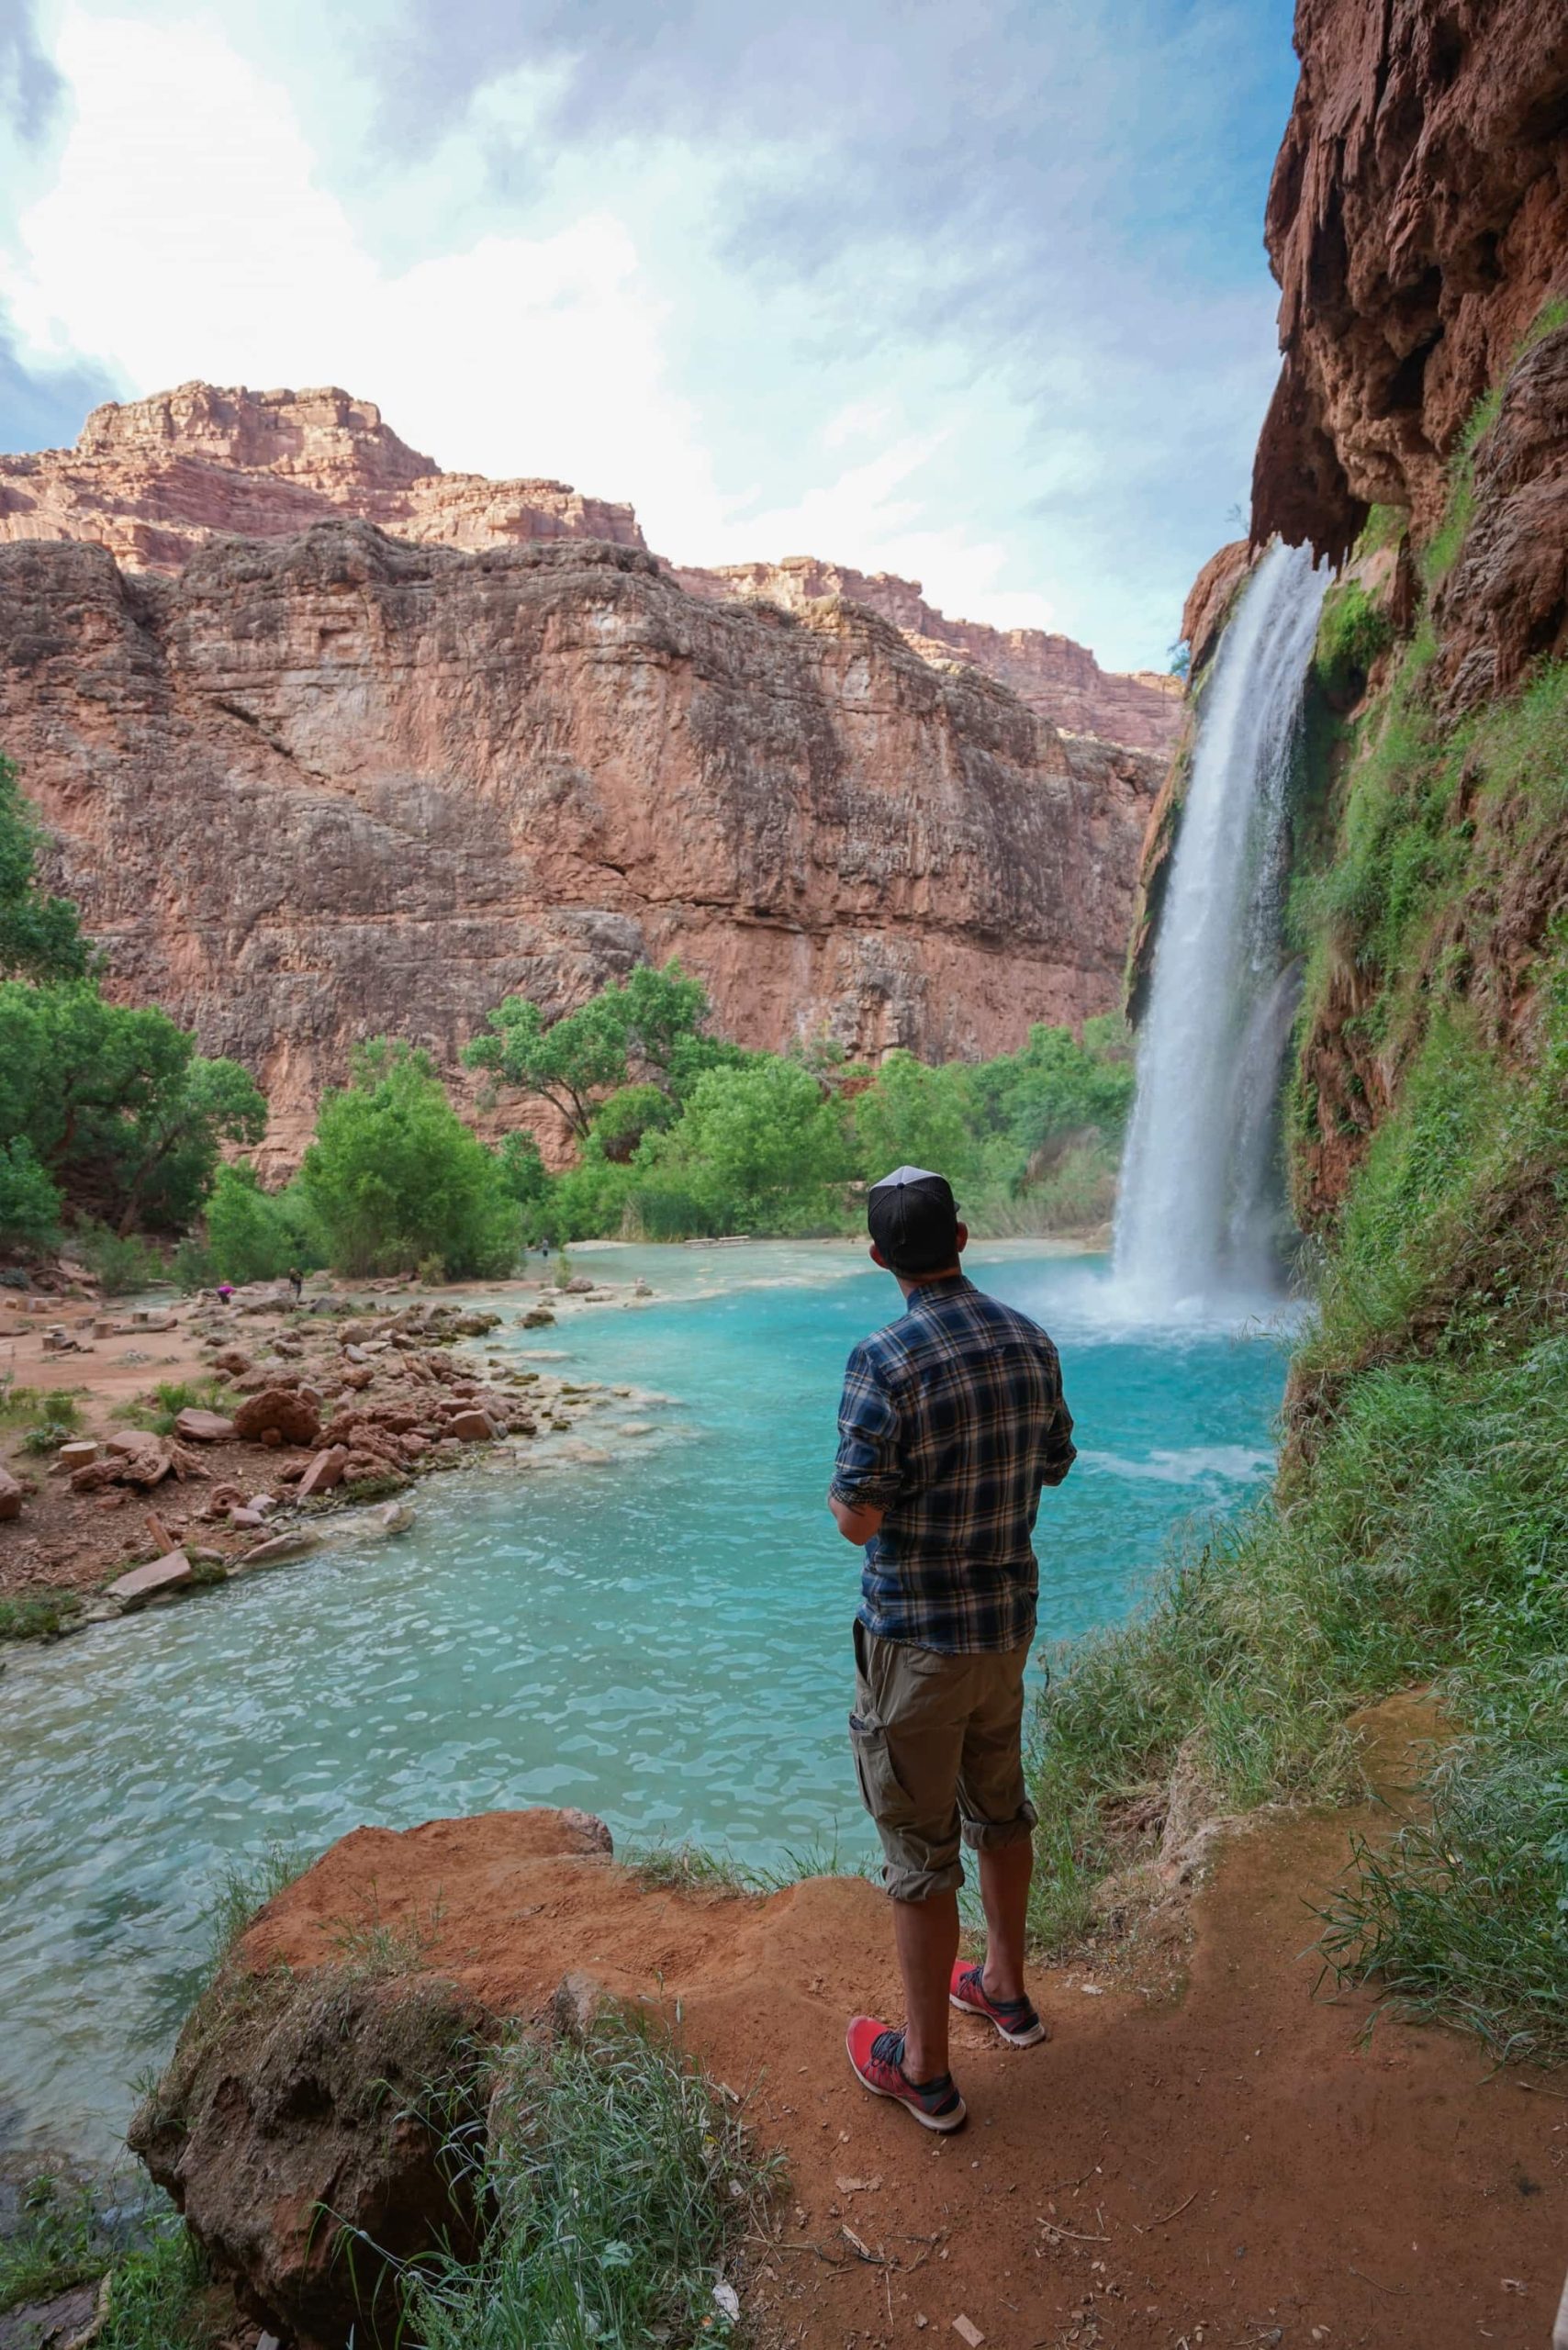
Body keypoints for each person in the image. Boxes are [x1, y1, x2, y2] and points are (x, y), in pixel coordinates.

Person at [828, 1165, 1076, 2132]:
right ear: (963, 1238)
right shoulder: (1028, 1338)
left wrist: (845, 1500)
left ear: (881, 1256)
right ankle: (1004, 1991)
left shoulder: (881, 1357)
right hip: (1004, 1627)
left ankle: (924, 2071)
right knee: (1000, 1806)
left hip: (915, 1645)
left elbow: (858, 1517)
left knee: (918, 1852)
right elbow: (1053, 1461)